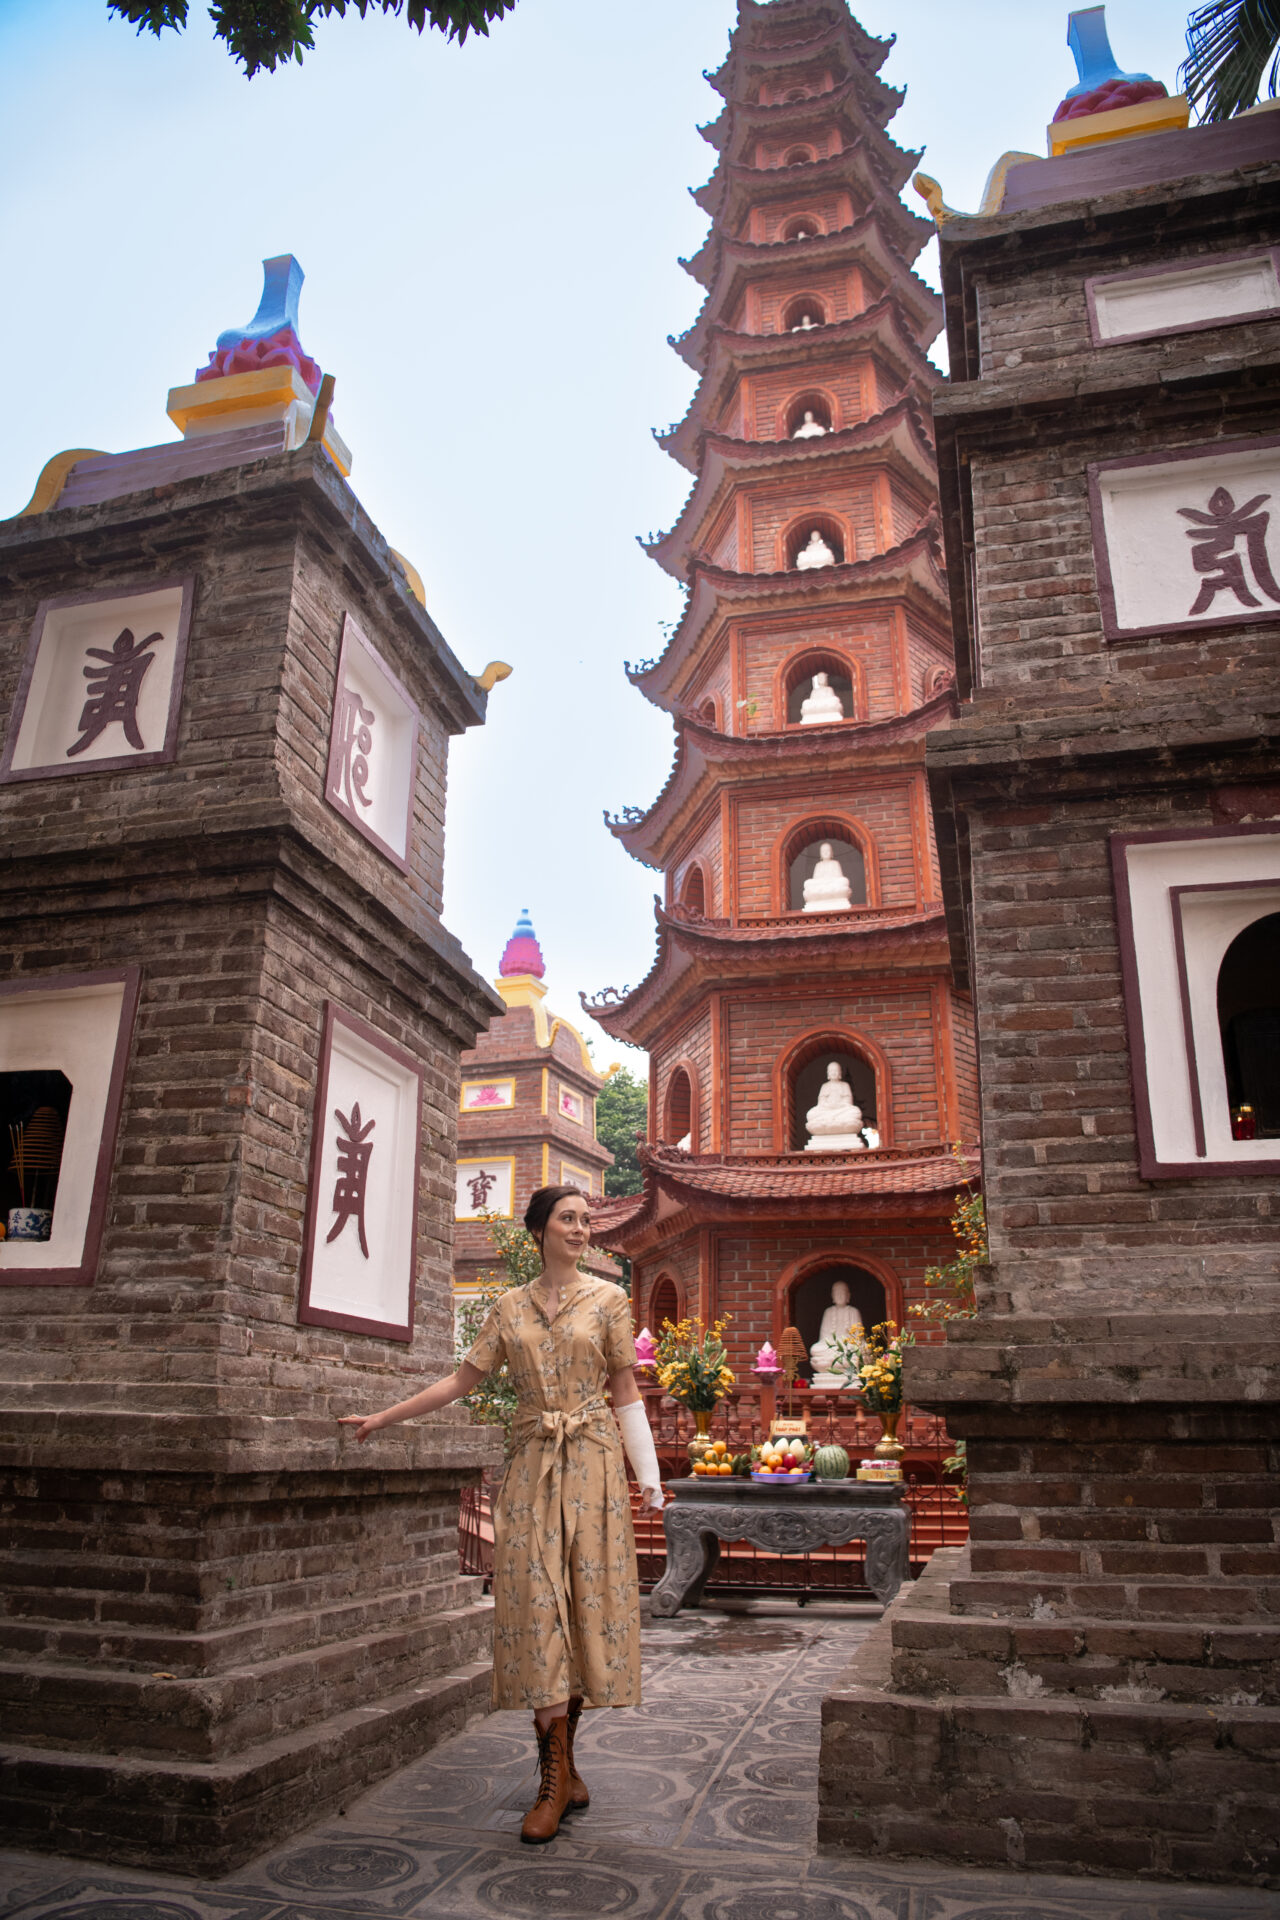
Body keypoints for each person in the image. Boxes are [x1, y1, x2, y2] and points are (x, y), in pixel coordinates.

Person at [340, 1185, 663, 1845]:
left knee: (580, 1609)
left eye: (586, 1220)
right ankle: (551, 1778)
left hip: (594, 1468)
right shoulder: (508, 1308)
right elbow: (462, 1382)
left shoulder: (609, 1301)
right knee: (535, 1607)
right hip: (528, 1467)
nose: (581, 1229)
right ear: (539, 1230)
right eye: (568, 1219)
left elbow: (627, 1390)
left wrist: (651, 1480)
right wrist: (383, 1417)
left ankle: (565, 1769)